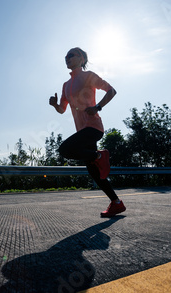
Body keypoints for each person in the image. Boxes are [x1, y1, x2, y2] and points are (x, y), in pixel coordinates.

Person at [49, 47, 126, 217]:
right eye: (65, 56)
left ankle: (99, 155)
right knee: (94, 172)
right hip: (82, 131)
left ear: (82, 59)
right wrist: (55, 104)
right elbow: (62, 109)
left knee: (64, 150)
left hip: (93, 127)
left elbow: (111, 90)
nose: (67, 58)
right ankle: (117, 203)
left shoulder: (89, 76)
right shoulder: (66, 85)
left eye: (71, 55)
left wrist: (97, 107)